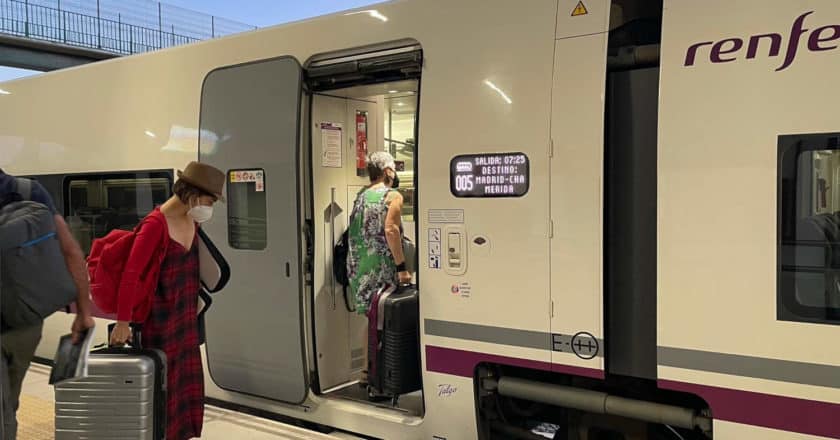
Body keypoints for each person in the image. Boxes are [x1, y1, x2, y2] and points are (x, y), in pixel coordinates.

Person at [109, 161, 224, 440]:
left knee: (184, 391)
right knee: (162, 393)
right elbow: (130, 276)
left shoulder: (190, 221)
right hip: (159, 325)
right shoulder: (154, 225)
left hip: (185, 322)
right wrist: (122, 323)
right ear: (194, 194)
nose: (210, 208)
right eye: (210, 201)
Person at [0, 169, 95, 440]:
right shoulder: (30, 191)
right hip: (26, 323)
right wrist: (83, 313)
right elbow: (71, 251)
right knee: (10, 403)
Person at [346, 151, 412, 314]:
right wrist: (402, 268)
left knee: (371, 318)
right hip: (381, 268)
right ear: (388, 171)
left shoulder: (361, 195)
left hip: (357, 266)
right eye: (394, 170)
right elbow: (391, 230)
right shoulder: (392, 195)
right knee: (386, 319)